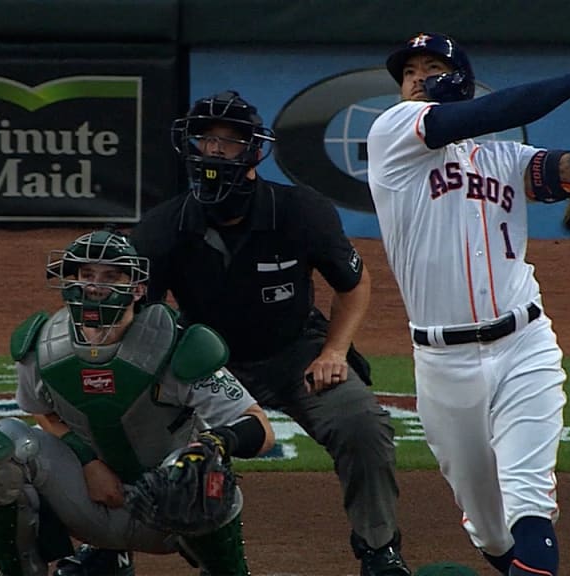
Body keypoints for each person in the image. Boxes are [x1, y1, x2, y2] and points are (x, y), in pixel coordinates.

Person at [366, 29, 570, 576]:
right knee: (488, 527)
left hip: (525, 344)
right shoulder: (392, 133)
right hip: (442, 363)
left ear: (460, 80)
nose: (417, 79)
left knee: (528, 502)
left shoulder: (502, 158)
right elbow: (475, 116)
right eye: (408, 72)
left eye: (430, 67)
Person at [128, 90, 412, 576]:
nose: (215, 150)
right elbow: (140, 317)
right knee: (130, 421)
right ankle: (112, 542)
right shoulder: (162, 227)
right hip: (206, 362)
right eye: (205, 139)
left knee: (362, 424)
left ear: (252, 150)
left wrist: (335, 350)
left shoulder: (301, 211)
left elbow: (354, 282)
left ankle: (379, 548)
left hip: (294, 353)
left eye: (229, 141)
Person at [0, 229, 275, 576]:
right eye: (86, 274)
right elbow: (40, 411)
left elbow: (259, 426)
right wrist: (88, 461)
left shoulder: (178, 347)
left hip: (169, 511)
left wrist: (216, 443)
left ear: (137, 289)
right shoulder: (40, 346)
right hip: (90, 503)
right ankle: (66, 564)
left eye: (110, 276)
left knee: (200, 470)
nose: (94, 286)